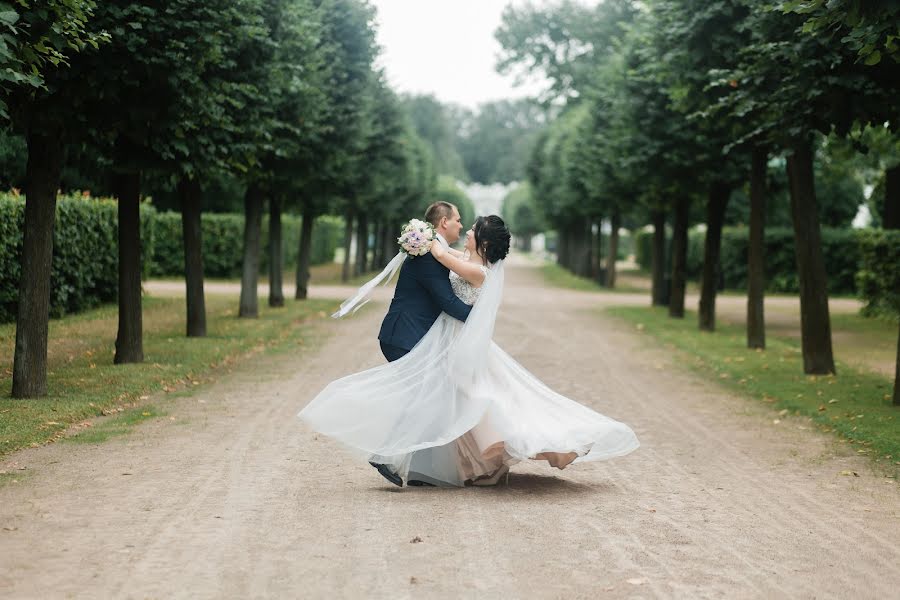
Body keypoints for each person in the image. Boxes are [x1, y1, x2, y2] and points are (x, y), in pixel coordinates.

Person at [298, 215, 639, 487]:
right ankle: (436, 465)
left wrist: (422, 236)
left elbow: (443, 257)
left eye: (473, 230)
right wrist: (423, 238)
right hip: (449, 336)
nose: (469, 232)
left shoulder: (476, 270)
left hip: (458, 338)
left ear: (484, 242)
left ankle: (405, 457)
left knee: (470, 397)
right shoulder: (467, 259)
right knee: (451, 397)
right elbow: (449, 257)